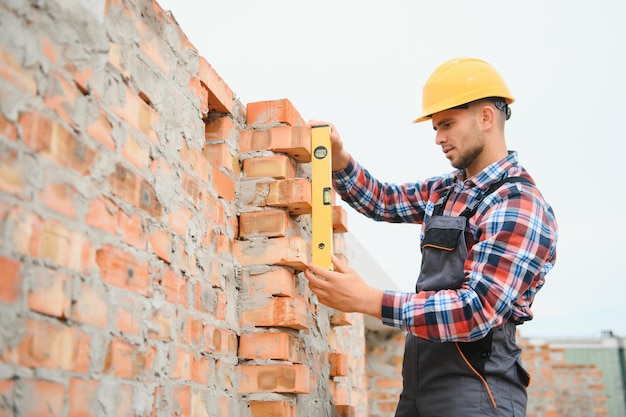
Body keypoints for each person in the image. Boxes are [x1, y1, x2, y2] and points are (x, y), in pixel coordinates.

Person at [304, 57, 558, 416]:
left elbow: (476, 310)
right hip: (420, 388)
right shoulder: (448, 191)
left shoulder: (517, 203)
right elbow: (384, 200)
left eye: (448, 124)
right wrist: (341, 160)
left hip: (479, 393)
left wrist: (369, 300)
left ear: (486, 118)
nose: (438, 138)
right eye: (436, 127)